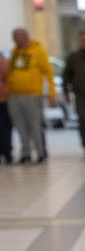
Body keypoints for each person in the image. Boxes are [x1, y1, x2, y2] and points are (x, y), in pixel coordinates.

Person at [7, 28, 56, 164]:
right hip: (15, 95)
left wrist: (52, 93)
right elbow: (11, 72)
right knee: (20, 125)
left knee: (35, 125)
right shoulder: (14, 53)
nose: (15, 40)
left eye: (16, 37)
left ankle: (40, 152)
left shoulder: (38, 51)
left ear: (25, 36)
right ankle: (25, 153)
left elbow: (48, 73)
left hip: (32, 95)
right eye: (13, 37)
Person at [0, 53, 11, 164]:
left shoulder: (2, 61)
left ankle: (6, 153)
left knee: (4, 128)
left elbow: (8, 79)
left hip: (2, 100)